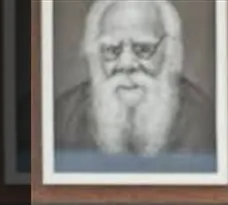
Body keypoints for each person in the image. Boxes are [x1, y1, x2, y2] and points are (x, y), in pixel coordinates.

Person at [53, 0, 216, 157]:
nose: (126, 63)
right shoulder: (64, 116)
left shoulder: (204, 118)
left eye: (144, 48)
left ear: (169, 50)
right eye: (111, 49)